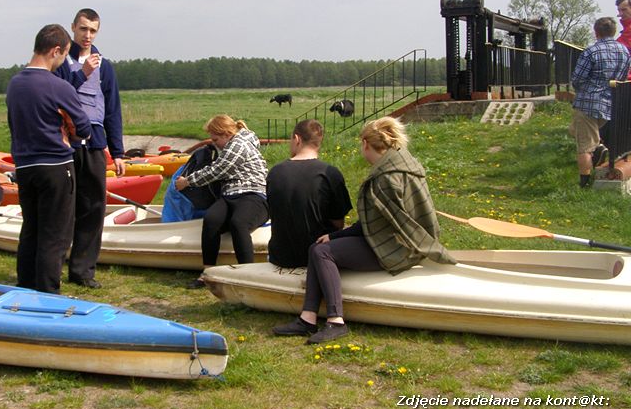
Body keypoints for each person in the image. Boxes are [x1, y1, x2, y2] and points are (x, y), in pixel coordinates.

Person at [272, 116, 456, 344]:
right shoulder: (405, 165)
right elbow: (382, 221)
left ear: (366, 144)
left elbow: (372, 225)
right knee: (317, 248)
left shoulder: (385, 178)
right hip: (398, 240)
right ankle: (307, 319)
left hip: (394, 247)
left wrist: (334, 236)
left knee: (322, 251)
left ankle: (335, 321)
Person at [6, 24, 92, 294]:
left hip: (25, 166)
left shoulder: (14, 84)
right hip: (55, 166)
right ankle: (47, 294)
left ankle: (25, 287)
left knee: (31, 229)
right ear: (55, 50)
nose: (63, 61)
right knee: (55, 235)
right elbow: (84, 128)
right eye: (64, 55)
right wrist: (69, 129)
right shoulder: (58, 86)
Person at [53, 8, 125, 289]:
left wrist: (117, 152)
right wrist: (82, 74)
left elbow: (113, 109)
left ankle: (83, 271)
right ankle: (53, 268)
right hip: (66, 144)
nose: (87, 35)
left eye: (93, 30)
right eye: (83, 29)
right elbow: (56, 96)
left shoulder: (105, 66)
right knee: (63, 207)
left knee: (94, 208)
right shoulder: (61, 61)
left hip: (94, 144)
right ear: (73, 27)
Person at [175, 115, 269, 288]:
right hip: (230, 195)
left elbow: (217, 170)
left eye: (215, 140)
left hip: (254, 194)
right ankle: (207, 272)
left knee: (238, 223)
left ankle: (248, 274)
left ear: (226, 134)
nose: (214, 143)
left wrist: (187, 181)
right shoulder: (231, 143)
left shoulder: (239, 144)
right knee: (211, 220)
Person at [266, 119, 352, 268]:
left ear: (297, 139)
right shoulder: (330, 173)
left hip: (281, 256)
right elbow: (338, 223)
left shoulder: (275, 172)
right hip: (319, 255)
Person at [570, 17, 631, 187]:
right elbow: (622, 77)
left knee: (584, 146)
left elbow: (577, 79)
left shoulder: (591, 51)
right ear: (613, 31)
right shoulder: (624, 51)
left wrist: (583, 90)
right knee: (575, 130)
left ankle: (584, 183)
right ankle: (598, 148)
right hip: (609, 103)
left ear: (596, 32)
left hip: (588, 104)